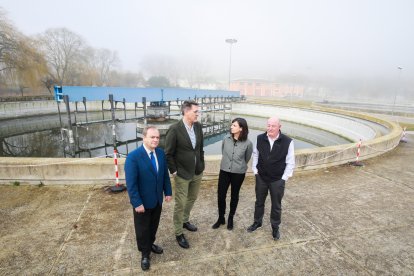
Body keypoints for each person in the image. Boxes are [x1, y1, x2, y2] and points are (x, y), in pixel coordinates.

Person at [125, 126, 172, 271]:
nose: (156, 140)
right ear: (144, 138)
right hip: (142, 203)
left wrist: (168, 192)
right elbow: (131, 184)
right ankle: (145, 255)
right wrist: (137, 202)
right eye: (152, 137)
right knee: (142, 229)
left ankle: (150, 243)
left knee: (153, 226)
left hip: (157, 200)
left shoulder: (160, 153)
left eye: (157, 137)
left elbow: (164, 175)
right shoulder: (133, 157)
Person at [247, 117, 295, 240]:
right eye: (268, 125)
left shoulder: (287, 141)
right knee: (259, 202)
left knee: (276, 205)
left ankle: (275, 227)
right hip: (261, 177)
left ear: (280, 127)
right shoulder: (260, 138)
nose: (270, 128)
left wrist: (284, 178)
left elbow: (290, 162)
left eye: (273, 126)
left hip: (277, 179)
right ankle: (257, 222)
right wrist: (255, 171)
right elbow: (256, 155)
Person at [165, 100, 204, 249]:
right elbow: (168, 154)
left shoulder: (198, 127)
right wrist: (174, 171)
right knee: (180, 203)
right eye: (195, 112)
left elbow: (200, 148)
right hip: (182, 173)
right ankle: (178, 232)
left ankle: (185, 220)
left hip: (197, 171)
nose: (197, 114)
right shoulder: (174, 129)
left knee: (192, 198)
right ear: (186, 111)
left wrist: (201, 163)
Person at [212, 118, 253, 230]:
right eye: (232, 125)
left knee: (234, 196)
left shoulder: (248, 143)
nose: (231, 127)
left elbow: (247, 158)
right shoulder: (226, 139)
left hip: (238, 173)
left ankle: (230, 218)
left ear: (241, 128)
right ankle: (221, 218)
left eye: (234, 125)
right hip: (224, 170)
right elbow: (223, 152)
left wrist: (238, 165)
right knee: (221, 195)